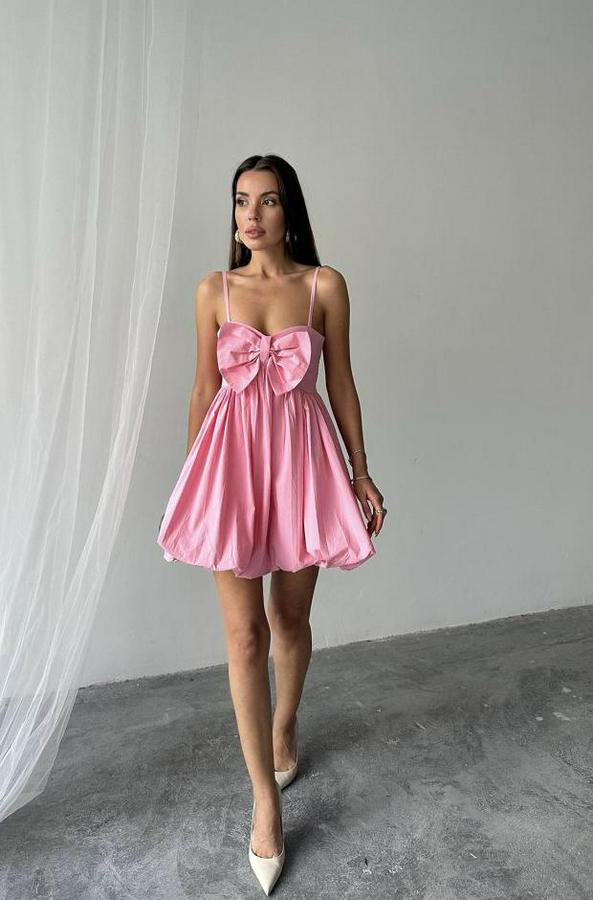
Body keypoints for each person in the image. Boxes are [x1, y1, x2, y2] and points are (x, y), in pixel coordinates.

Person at [157, 154, 387, 894]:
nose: (250, 216)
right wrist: (192, 483)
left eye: (267, 201)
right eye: (240, 201)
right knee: (244, 635)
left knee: (288, 622)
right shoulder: (212, 290)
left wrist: (359, 471)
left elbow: (341, 381)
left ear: (290, 212)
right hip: (230, 469)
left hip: (301, 467)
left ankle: (286, 722)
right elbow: (202, 390)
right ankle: (264, 799)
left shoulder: (324, 286)